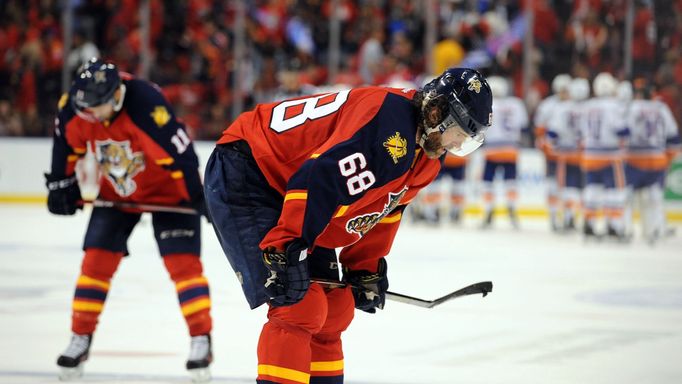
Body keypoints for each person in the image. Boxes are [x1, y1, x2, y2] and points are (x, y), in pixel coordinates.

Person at [204, 67, 492, 383]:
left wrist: (363, 266)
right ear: (437, 111)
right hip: (251, 167)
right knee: (298, 304)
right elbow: (318, 178)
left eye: (468, 138)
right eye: (459, 132)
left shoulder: (426, 157)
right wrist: (287, 245)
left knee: (334, 308)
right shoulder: (388, 130)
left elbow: (387, 209)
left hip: (298, 188)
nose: (458, 143)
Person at [45, 59, 214, 382]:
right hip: (118, 194)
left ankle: (200, 338)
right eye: (87, 106)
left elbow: (183, 156)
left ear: (117, 96)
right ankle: (80, 336)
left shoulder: (146, 105)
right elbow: (64, 145)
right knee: (95, 264)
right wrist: (59, 182)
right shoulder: (75, 105)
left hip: (168, 194)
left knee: (184, 267)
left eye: (98, 106)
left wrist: (197, 197)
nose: (90, 113)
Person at [624, 79, 680, 244]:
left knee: (627, 197)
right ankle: (655, 229)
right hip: (657, 158)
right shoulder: (661, 108)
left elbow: (623, 132)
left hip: (634, 158)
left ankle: (626, 229)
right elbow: (673, 136)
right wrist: (667, 157)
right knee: (654, 197)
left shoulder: (632, 107)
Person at [578, 72, 630, 240]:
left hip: (590, 154)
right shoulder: (614, 106)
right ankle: (614, 226)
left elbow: (580, 131)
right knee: (614, 191)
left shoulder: (587, 105)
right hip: (610, 154)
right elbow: (621, 129)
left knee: (592, 189)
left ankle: (589, 224)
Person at [479, 76, 528, 229]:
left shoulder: (487, 104)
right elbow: (524, 126)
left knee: (487, 183)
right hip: (510, 149)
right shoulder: (516, 104)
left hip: (492, 149)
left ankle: (488, 212)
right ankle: (512, 209)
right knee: (511, 183)